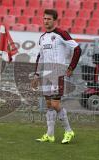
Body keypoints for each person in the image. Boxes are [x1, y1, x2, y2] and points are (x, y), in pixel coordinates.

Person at [31, 9, 81, 144]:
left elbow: (77, 49)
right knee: (49, 104)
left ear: (54, 20)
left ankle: (69, 130)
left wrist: (71, 67)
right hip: (46, 74)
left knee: (55, 103)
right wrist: (36, 74)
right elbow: (40, 57)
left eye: (48, 19)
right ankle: (50, 134)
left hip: (57, 73)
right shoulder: (42, 38)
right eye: (44, 18)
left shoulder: (61, 34)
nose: (46, 21)